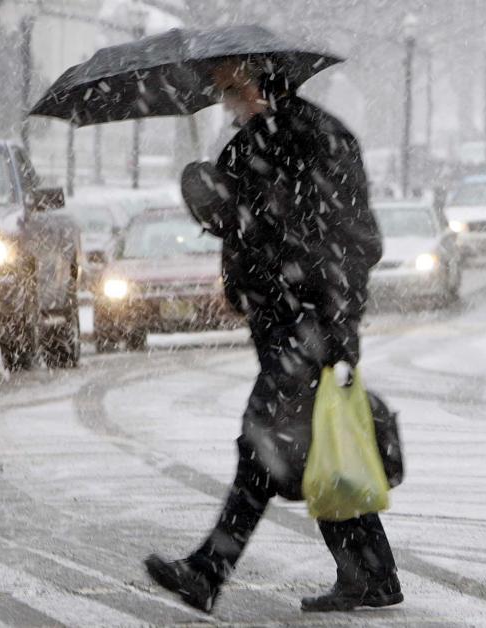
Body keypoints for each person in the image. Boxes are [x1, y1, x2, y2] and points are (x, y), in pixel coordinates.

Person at [143, 56, 400, 613]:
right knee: (312, 448)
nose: (225, 99)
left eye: (231, 86)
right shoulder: (250, 144)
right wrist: (218, 214)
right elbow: (240, 223)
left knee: (259, 445)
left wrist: (328, 318)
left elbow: (359, 242)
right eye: (219, 90)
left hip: (309, 327)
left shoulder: (319, 138)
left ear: (262, 82)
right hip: (282, 324)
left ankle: (208, 570)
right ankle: (372, 574)